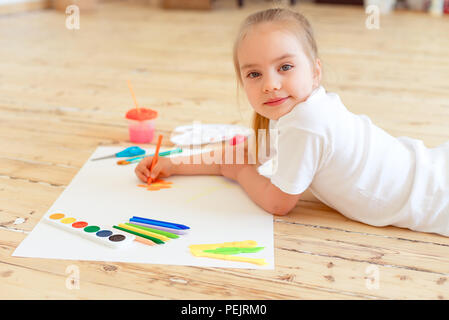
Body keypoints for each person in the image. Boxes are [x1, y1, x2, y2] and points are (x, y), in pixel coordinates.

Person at [135, 7, 449, 237]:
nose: (269, 84)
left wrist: (242, 174)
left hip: (433, 197)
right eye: (254, 74)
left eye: (284, 66)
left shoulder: (306, 122)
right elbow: (242, 153)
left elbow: (278, 202)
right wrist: (172, 163)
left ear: (315, 71)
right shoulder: (293, 110)